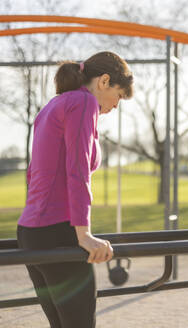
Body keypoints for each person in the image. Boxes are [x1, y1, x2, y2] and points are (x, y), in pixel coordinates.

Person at [16, 51, 133, 328]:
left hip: (31, 231)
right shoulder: (82, 102)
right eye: (119, 96)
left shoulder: (55, 104)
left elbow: (33, 174)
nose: (116, 106)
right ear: (104, 81)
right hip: (58, 231)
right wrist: (84, 234)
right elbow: (78, 171)